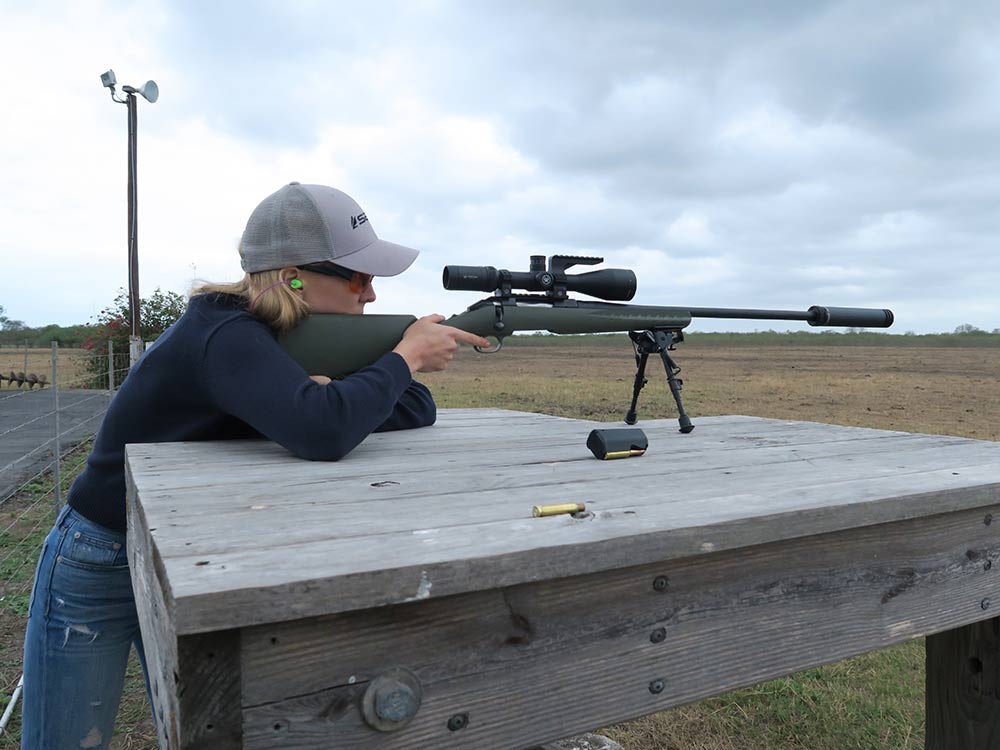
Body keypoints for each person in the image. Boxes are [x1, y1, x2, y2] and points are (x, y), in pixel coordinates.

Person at [20, 182, 490, 749]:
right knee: (64, 739)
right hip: (102, 550)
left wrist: (354, 388)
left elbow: (414, 406)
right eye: (357, 277)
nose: (369, 295)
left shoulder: (275, 338)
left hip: (180, 552)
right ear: (293, 275)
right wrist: (401, 359)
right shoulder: (225, 332)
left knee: (188, 729)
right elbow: (323, 431)